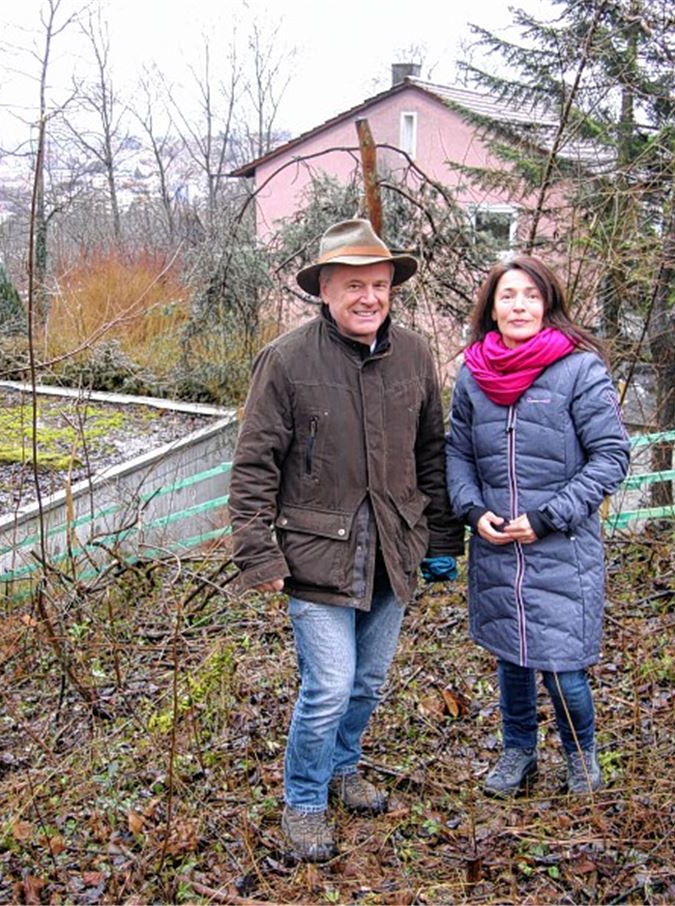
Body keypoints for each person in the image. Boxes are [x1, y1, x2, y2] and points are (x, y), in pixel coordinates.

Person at [229, 218, 463, 862]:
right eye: (354, 284)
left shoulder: (415, 355)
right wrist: (258, 552)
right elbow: (254, 465)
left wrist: (442, 537)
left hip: (395, 548)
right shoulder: (287, 360)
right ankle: (303, 801)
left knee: (368, 681)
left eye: (380, 285)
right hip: (316, 554)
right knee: (329, 684)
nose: (369, 297)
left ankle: (343, 767)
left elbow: (432, 453)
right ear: (325, 291)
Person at [445, 255, 630, 797]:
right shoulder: (473, 375)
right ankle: (518, 752)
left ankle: (581, 758)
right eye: (508, 296)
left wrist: (550, 516)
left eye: (530, 295)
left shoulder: (579, 368)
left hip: (561, 546)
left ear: (547, 303)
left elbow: (611, 456)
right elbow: (456, 454)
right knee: (512, 656)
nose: (519, 305)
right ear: (491, 308)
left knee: (563, 665)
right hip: (497, 546)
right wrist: (475, 513)